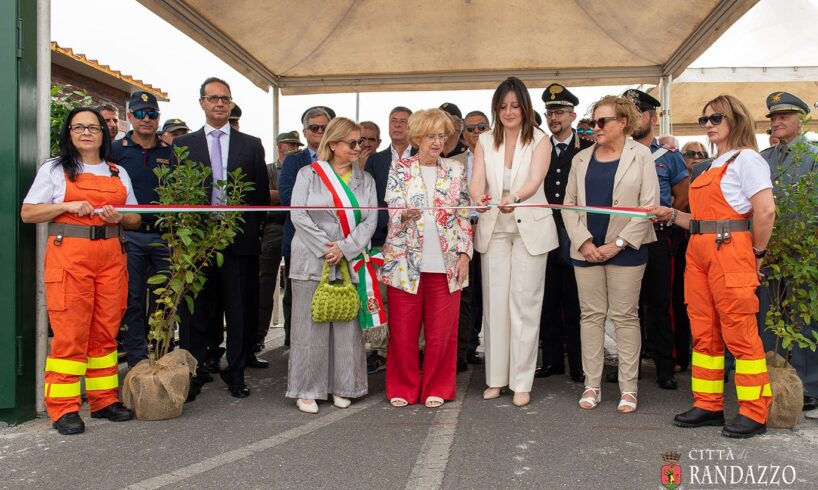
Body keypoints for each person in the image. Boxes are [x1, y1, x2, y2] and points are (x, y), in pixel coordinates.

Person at [652, 94, 776, 439]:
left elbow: (764, 211)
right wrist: (671, 214)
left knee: (739, 330)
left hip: (730, 250)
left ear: (735, 119)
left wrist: (757, 254)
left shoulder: (747, 159)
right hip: (701, 249)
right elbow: (702, 220)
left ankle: (754, 411)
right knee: (703, 330)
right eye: (704, 119)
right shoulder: (714, 164)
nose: (708, 124)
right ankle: (708, 404)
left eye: (715, 118)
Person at [21, 106, 140, 434]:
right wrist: (66, 205)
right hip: (71, 257)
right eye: (78, 128)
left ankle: (104, 400)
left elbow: (136, 217)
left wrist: (121, 217)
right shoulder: (55, 169)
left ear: (104, 134)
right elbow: (28, 213)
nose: (86, 133)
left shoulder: (117, 172)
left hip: (111, 255)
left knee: (105, 332)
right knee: (71, 333)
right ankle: (63, 408)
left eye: (93, 127)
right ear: (69, 134)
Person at [172, 77, 269, 400]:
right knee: (197, 311)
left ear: (231, 103)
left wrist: (250, 234)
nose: (219, 104)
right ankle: (195, 372)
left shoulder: (251, 144)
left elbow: (258, 199)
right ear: (202, 102)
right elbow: (177, 195)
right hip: (198, 242)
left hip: (238, 242)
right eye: (213, 98)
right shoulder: (184, 145)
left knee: (239, 310)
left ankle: (236, 371)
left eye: (225, 99)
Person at [563, 95, 658, 413]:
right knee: (590, 317)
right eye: (593, 122)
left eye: (603, 121)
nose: (596, 127)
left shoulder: (641, 155)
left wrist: (617, 244)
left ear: (623, 123)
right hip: (586, 250)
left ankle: (628, 389)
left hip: (627, 249)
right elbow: (569, 205)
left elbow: (648, 206)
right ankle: (593, 385)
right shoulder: (580, 159)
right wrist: (585, 242)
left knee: (625, 317)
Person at [469, 77, 558, 408]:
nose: (509, 111)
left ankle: (522, 381)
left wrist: (514, 196)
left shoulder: (540, 140)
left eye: (514, 105)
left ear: (525, 107)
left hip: (530, 232)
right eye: (503, 106)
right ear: (496, 109)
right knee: (495, 306)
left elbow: (535, 181)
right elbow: (476, 182)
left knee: (524, 306)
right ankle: (496, 379)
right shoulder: (484, 142)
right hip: (494, 230)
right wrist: (479, 198)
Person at [380, 108, 472, 407]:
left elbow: (462, 217)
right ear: (417, 136)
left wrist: (464, 254)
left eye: (442, 136)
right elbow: (391, 208)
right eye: (431, 136)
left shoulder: (456, 170)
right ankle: (402, 388)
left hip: (445, 263)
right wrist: (403, 214)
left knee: (441, 335)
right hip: (404, 262)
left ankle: (437, 387)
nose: (437, 142)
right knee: (403, 334)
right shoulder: (399, 168)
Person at [286, 117, 378, 414]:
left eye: (360, 142)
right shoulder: (307, 174)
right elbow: (299, 215)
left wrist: (345, 248)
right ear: (333, 145)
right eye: (352, 143)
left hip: (347, 259)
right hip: (312, 258)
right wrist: (328, 248)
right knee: (308, 326)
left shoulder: (366, 180)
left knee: (346, 327)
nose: (358, 147)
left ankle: (344, 385)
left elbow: (370, 221)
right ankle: (306, 389)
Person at [619, 89, 689, 391]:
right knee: (626, 307)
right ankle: (627, 369)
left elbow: (683, 196)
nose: (635, 120)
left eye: (640, 113)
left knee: (660, 304)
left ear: (653, 117)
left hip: (657, 235)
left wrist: (667, 216)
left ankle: (665, 367)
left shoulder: (668, 156)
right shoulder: (617, 152)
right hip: (623, 236)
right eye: (629, 114)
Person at [758, 91, 818, 413]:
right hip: (769, 252)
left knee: (804, 321)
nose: (777, 122)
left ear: (801, 120)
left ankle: (809, 385)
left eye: (784, 116)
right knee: (768, 317)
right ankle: (771, 379)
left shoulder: (814, 155)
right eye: (773, 117)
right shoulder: (765, 158)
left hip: (805, 253)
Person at [110, 91, 172, 368]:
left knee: (166, 299)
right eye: (140, 114)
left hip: (164, 235)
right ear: (129, 117)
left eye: (152, 114)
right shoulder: (115, 150)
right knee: (132, 298)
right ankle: (137, 359)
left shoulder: (171, 152)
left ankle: (162, 354)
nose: (147, 119)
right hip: (129, 236)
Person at [536, 83, 592, 383]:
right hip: (544, 229)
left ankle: (579, 364)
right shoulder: (540, 146)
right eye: (549, 112)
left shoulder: (586, 148)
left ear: (572, 115)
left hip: (574, 231)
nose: (553, 117)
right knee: (548, 299)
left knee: (575, 301)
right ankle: (553, 360)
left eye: (558, 112)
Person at [363, 106, 416, 373]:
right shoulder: (375, 160)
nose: (398, 126)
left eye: (403, 122)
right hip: (382, 237)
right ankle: (382, 352)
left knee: (410, 296)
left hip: (416, 239)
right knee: (383, 298)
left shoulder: (422, 155)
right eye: (393, 121)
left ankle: (414, 350)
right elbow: (371, 200)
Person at [279, 106, 334, 348]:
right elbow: (288, 199)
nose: (320, 132)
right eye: (314, 128)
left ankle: (328, 346)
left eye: (325, 127)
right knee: (298, 300)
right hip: (300, 240)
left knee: (332, 295)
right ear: (305, 132)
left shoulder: (341, 158)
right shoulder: (294, 160)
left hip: (336, 243)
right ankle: (295, 347)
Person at [256, 131, 303, 354]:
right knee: (265, 283)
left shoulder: (301, 166)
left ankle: (291, 336)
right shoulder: (268, 169)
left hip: (296, 227)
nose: (293, 147)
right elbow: (264, 195)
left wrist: (283, 194)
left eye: (296, 144)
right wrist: (284, 194)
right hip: (274, 227)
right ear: (279, 146)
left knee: (293, 285)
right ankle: (258, 335)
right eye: (289, 143)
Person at [458, 110, 491, 369]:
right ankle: (463, 350)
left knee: (490, 291)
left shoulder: (500, 159)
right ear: (463, 134)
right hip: (463, 229)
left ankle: (490, 350)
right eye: (471, 128)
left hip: (491, 229)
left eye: (482, 127)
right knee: (464, 293)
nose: (476, 133)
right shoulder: (452, 162)